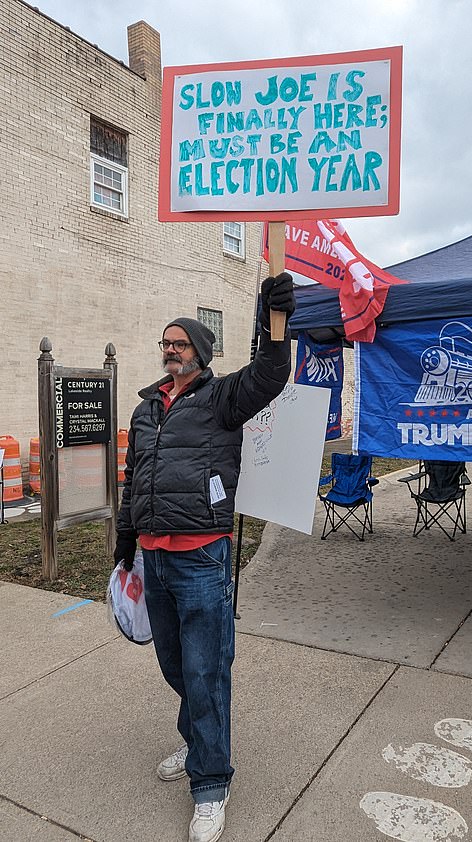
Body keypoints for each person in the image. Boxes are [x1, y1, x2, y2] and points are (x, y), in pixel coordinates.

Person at [114, 273, 295, 842]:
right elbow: (133, 480)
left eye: (180, 342)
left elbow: (270, 375)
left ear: (201, 352)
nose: (170, 349)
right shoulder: (146, 411)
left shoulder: (220, 399)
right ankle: (198, 741)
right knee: (174, 666)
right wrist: (125, 541)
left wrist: (274, 323)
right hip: (154, 559)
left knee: (206, 671)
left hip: (202, 560)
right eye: (166, 342)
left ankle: (211, 786)